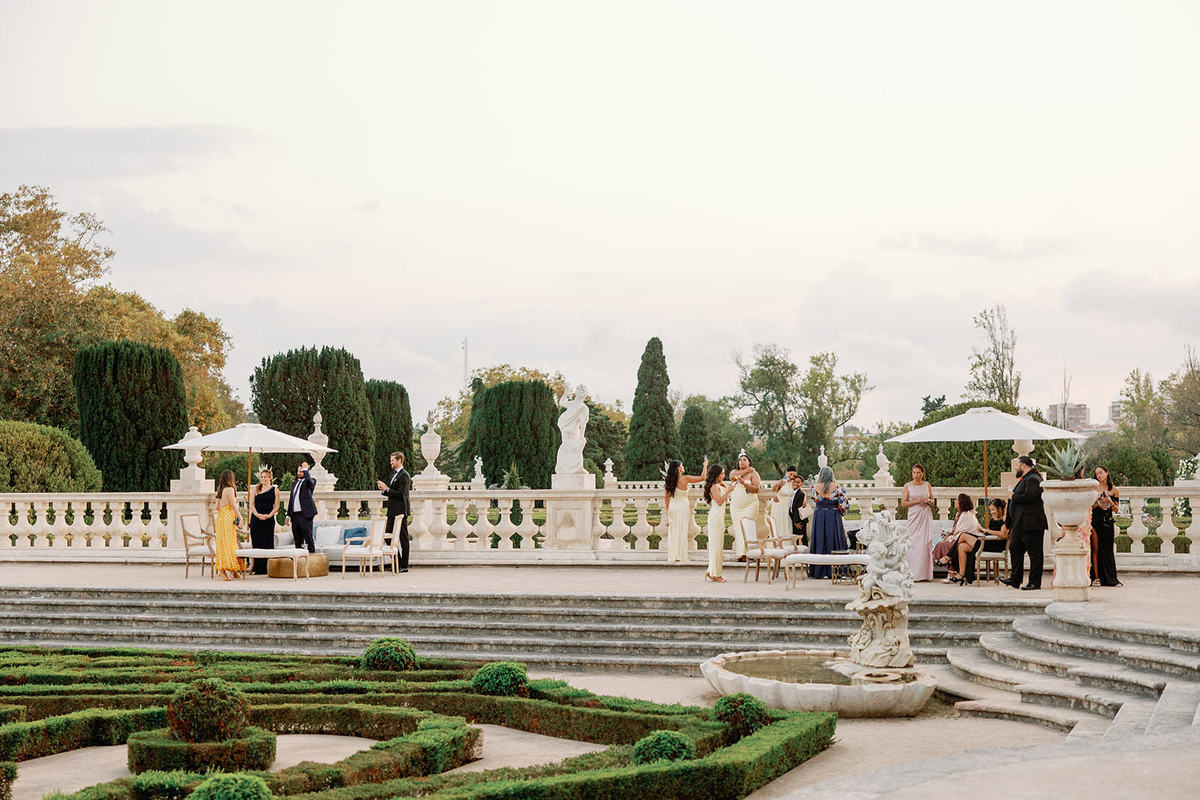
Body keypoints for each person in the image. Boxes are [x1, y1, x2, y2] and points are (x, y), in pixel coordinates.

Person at [1003, 455, 1048, 590]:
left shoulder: (1033, 479)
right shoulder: (1025, 478)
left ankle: (1034, 582)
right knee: (1015, 549)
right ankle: (1015, 579)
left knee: (1035, 554)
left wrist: (1013, 496)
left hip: (1031, 524)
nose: (1016, 468)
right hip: (1020, 524)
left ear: (1023, 465)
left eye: (1017, 465)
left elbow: (1030, 496)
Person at [809, 466, 849, 579]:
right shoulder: (838, 488)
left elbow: (814, 499)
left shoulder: (814, 487)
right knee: (834, 539)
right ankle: (837, 570)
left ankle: (819, 571)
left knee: (820, 540)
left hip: (819, 515)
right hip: (833, 515)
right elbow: (844, 504)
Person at [664, 458, 706, 563]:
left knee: (673, 532)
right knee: (682, 531)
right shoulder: (685, 478)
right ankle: (682, 555)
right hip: (683, 507)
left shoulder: (669, 481)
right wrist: (705, 465)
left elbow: (666, 498)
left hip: (673, 507)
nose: (683, 467)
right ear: (678, 468)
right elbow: (703, 477)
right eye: (682, 465)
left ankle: (674, 555)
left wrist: (668, 512)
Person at [933, 493, 982, 584]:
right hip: (961, 539)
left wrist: (951, 537)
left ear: (961, 503)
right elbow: (957, 530)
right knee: (941, 542)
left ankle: (951, 571)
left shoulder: (967, 515)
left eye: (957, 500)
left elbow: (963, 532)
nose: (955, 501)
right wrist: (949, 535)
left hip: (969, 540)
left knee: (944, 545)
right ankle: (952, 572)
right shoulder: (958, 514)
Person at [377, 451, 411, 573]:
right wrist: (384, 490)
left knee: (403, 539)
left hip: (401, 511)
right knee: (387, 536)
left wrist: (387, 488)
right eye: (390, 460)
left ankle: (404, 565)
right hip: (392, 511)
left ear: (399, 461)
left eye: (393, 460)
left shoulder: (404, 476)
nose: (390, 462)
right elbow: (392, 492)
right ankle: (397, 561)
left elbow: (401, 494)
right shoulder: (394, 474)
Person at [1090, 466, 1122, 587]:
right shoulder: (1093, 489)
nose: (1099, 475)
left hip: (1108, 522)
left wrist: (1109, 502)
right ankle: (1096, 578)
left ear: (1107, 473)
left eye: (1101, 473)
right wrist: (1097, 502)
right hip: (1095, 522)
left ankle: (1111, 579)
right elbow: (1089, 507)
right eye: (1096, 474)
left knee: (1108, 550)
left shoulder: (1114, 490)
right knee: (1096, 549)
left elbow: (1116, 509)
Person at [902, 464, 935, 581]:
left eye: (918, 473)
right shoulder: (908, 486)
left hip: (925, 514)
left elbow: (932, 500)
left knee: (925, 543)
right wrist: (917, 501)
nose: (916, 475)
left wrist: (928, 501)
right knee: (913, 543)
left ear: (922, 474)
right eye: (914, 472)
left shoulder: (927, 485)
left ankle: (925, 574)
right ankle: (913, 573)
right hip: (914, 515)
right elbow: (903, 503)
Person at [213, 469, 245, 581]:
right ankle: (226, 570)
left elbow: (216, 507)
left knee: (223, 544)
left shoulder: (221, 490)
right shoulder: (230, 489)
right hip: (227, 518)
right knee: (230, 544)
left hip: (221, 518)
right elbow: (234, 505)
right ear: (231, 479)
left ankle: (229, 570)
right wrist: (240, 518)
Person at [727, 453, 761, 560]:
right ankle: (742, 554)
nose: (742, 461)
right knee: (739, 529)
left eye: (744, 460)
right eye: (740, 460)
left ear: (749, 462)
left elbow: (756, 489)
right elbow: (732, 477)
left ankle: (750, 554)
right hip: (736, 507)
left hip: (750, 505)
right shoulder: (734, 472)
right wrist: (747, 470)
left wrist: (744, 483)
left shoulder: (754, 474)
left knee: (748, 528)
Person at [702, 463, 732, 582]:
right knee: (715, 546)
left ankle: (711, 571)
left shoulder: (718, 484)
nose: (724, 475)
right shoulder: (714, 486)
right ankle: (715, 575)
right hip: (715, 517)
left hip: (719, 516)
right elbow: (719, 501)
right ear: (717, 474)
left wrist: (725, 487)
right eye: (722, 473)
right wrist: (728, 490)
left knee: (718, 545)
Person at [247, 468, 279, 575]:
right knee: (256, 543)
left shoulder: (275, 490)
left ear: (270, 478)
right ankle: (257, 568)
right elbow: (251, 504)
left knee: (267, 543)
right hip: (256, 519)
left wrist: (270, 515)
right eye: (261, 477)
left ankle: (268, 568)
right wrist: (257, 515)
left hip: (268, 519)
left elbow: (277, 506)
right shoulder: (256, 489)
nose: (263, 478)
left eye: (265, 477)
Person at [286, 461, 317, 554]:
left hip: (305, 515)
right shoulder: (294, 483)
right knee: (297, 540)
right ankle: (299, 562)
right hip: (295, 516)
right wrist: (288, 515)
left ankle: (312, 560)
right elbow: (291, 500)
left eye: (301, 471)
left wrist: (306, 470)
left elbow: (310, 483)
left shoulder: (310, 481)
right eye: (298, 471)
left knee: (308, 538)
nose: (299, 473)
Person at [770, 466, 797, 547]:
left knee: (787, 527)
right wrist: (784, 480)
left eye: (794, 475)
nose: (792, 477)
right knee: (778, 527)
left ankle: (787, 548)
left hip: (787, 509)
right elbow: (773, 490)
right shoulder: (782, 482)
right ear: (786, 473)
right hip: (779, 507)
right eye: (790, 474)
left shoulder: (792, 484)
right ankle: (776, 548)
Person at [788, 474, 811, 545]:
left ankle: (806, 552)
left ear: (801, 484)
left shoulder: (800, 494)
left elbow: (798, 509)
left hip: (800, 520)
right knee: (796, 538)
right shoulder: (792, 492)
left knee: (803, 538)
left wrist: (796, 522)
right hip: (794, 518)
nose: (795, 483)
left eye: (798, 482)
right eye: (794, 481)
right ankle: (797, 553)